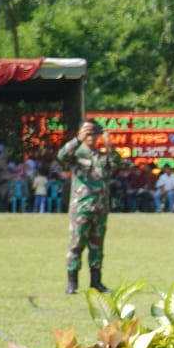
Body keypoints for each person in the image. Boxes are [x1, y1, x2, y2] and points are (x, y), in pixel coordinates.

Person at [57, 120, 125, 294]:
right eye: (87, 132)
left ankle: (96, 282)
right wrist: (77, 140)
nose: (91, 137)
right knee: (76, 244)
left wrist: (110, 146)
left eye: (94, 133)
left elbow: (118, 164)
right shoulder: (77, 154)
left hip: (100, 208)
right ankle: (72, 282)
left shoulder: (102, 156)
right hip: (81, 207)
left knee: (97, 246)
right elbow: (62, 156)